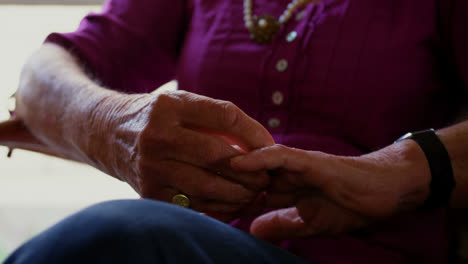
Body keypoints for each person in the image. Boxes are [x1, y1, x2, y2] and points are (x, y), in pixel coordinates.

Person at [3, 0, 468, 263]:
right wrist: (108, 122)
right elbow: (42, 77)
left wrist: (399, 170)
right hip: (196, 249)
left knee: (122, 234)